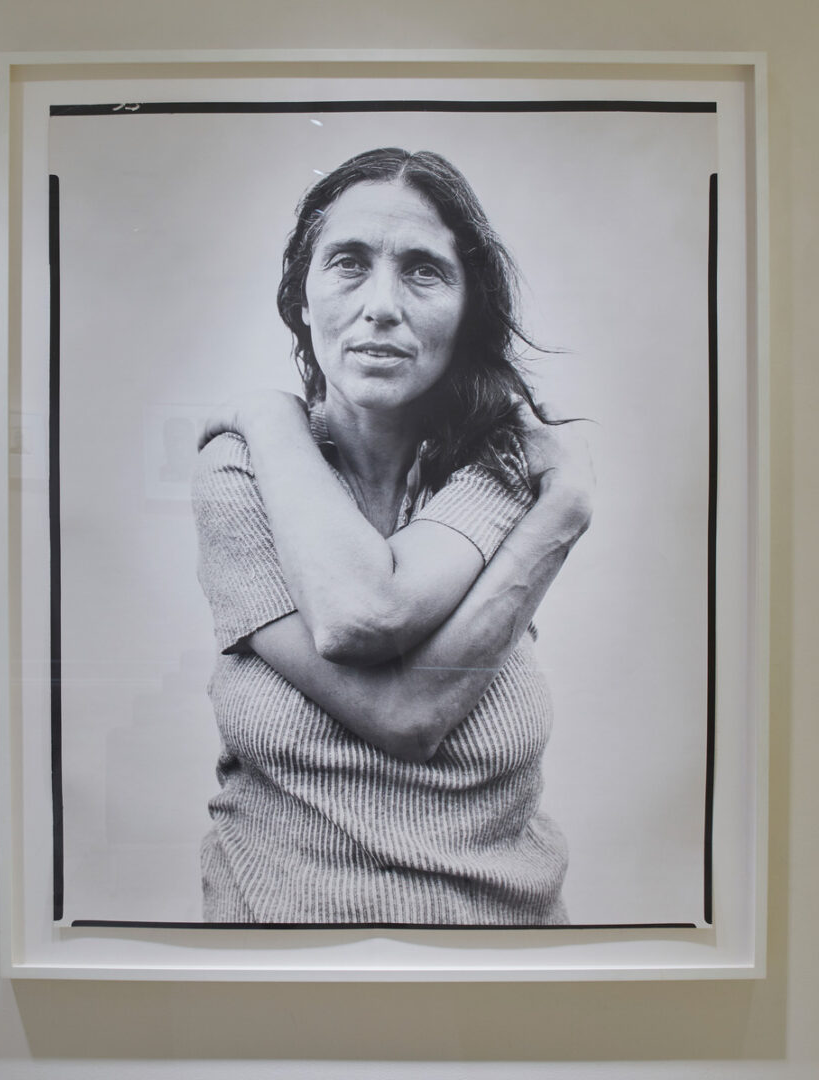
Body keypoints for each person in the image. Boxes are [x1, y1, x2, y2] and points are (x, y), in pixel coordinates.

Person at [191, 148, 594, 925]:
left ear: (467, 310)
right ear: (300, 300)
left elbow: (388, 655)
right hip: (278, 963)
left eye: (422, 270)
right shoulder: (239, 471)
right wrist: (272, 418)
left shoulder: (500, 465)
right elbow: (366, 627)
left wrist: (559, 506)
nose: (382, 304)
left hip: (506, 958)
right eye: (348, 263)